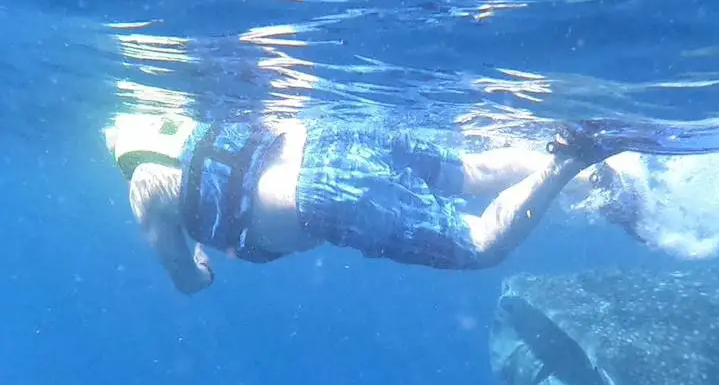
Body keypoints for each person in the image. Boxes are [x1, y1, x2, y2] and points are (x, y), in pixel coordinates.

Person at [103, 114, 642, 294]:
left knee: (479, 244)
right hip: (335, 133)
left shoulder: (145, 192)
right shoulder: (191, 119)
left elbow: (189, 280)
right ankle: (603, 178)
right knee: (469, 171)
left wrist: (199, 262)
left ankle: (570, 161)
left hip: (320, 196)